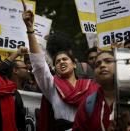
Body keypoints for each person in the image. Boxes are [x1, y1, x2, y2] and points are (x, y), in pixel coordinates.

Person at [21, 1, 99, 130]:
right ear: (54, 68)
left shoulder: (91, 86)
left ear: (74, 64)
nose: (61, 62)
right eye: (57, 61)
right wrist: (30, 30)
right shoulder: (52, 87)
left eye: (65, 59)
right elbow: (39, 65)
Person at [73, 50, 130, 131]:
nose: (102, 65)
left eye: (108, 61)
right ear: (94, 74)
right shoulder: (87, 105)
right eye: (97, 65)